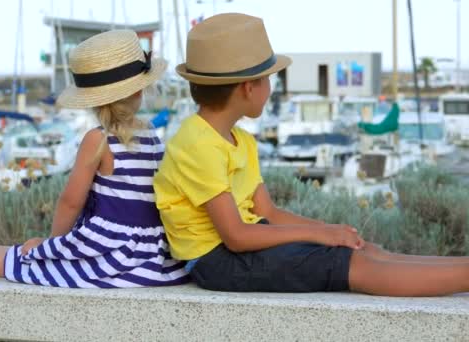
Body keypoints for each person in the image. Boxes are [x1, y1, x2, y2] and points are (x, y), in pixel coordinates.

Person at [153, 13, 469, 296]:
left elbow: (269, 214)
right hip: (217, 260)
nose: (271, 88)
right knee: (354, 266)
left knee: (363, 249)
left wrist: (331, 232)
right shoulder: (196, 144)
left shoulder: (240, 141)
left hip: (242, 245)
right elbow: (235, 236)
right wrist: (320, 233)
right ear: (249, 87)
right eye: (268, 79)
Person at [0, 30, 189, 288]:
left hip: (113, 255)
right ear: (139, 90)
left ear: (93, 100)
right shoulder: (152, 135)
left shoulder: (98, 140)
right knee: (27, 254)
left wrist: (52, 244)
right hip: (151, 255)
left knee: (25, 261)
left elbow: (71, 201)